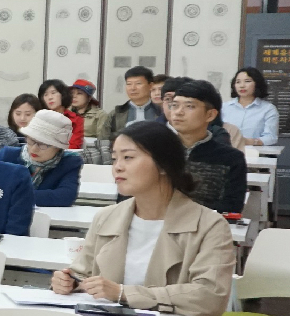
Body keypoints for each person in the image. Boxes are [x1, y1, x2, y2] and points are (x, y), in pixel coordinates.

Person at [52, 120, 232, 316]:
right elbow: (83, 272)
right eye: (115, 159)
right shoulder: (106, 217)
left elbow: (211, 297)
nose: (117, 168)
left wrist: (125, 294)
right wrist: (68, 281)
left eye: (129, 158)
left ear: (163, 164)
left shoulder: (209, 225)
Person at [168, 79, 247, 214]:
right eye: (174, 105)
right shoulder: (157, 151)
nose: (178, 112)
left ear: (210, 115)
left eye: (190, 106)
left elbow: (232, 207)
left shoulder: (231, 159)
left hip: (206, 229)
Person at [0, 109, 83, 206]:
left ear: (58, 147)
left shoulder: (69, 163)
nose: (34, 149)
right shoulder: (8, 155)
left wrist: (17, 195)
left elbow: (65, 196)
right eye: (31, 141)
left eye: (42, 144)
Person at [224, 67, 278, 146]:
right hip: (226, 152)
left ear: (257, 84)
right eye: (238, 82)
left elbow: (271, 137)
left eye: (247, 81)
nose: (242, 86)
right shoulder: (224, 107)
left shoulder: (268, 109)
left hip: (256, 154)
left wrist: (249, 141)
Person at [109, 66, 165, 137]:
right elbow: (103, 140)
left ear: (150, 86)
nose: (133, 88)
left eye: (138, 83)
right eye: (129, 84)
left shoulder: (161, 112)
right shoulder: (116, 113)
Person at [69, 79, 112, 164]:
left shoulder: (100, 115)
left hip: (90, 155)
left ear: (89, 97)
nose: (74, 96)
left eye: (79, 93)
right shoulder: (65, 113)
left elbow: (103, 140)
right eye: (72, 93)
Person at [38, 78, 82, 148]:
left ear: (63, 95)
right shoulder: (39, 118)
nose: (50, 97)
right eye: (45, 95)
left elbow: (73, 145)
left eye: (53, 93)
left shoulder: (76, 119)